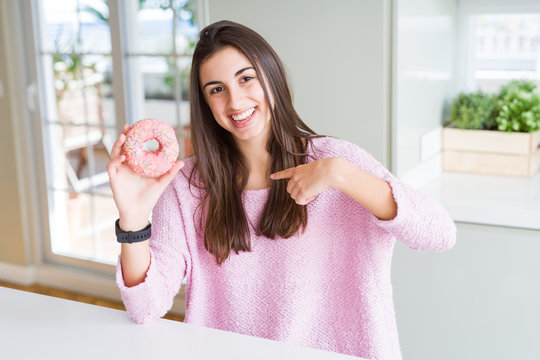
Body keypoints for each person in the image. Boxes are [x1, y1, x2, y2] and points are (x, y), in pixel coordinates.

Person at [107, 20, 456, 360]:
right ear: (206, 103)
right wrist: (134, 218)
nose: (235, 100)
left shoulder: (336, 162)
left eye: (246, 78)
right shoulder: (187, 185)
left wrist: (341, 175)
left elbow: (440, 233)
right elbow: (146, 307)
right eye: (217, 89)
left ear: (271, 77)